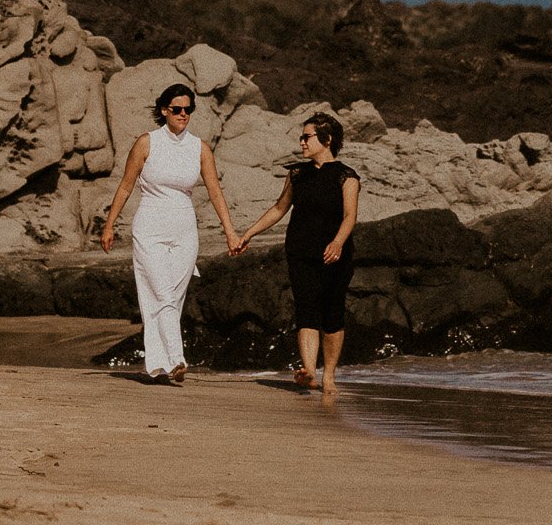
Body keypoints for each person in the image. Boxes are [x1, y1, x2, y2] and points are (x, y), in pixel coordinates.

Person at [100, 82, 244, 383]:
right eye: (177, 109)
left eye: (188, 109)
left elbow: (215, 192)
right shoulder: (146, 142)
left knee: (173, 298)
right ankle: (177, 358)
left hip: (184, 229)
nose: (183, 114)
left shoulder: (200, 148)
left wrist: (230, 232)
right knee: (161, 292)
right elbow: (126, 185)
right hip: (149, 225)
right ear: (164, 110)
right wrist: (110, 224)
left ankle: (158, 365)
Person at [235, 111, 359, 395]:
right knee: (306, 311)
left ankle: (329, 376)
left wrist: (338, 242)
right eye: (302, 137)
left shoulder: (347, 177)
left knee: (333, 315)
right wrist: (248, 234)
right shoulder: (297, 174)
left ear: (326, 140)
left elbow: (350, 216)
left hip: (335, 254)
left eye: (307, 137)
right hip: (300, 251)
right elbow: (279, 208)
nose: (301, 142)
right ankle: (309, 372)